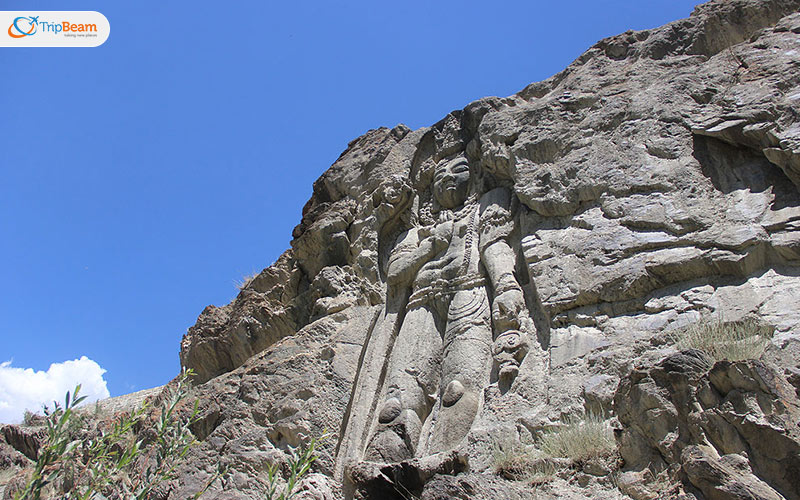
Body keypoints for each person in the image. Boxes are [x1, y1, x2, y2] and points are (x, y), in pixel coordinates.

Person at [365, 156, 533, 462]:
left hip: (470, 291)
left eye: (459, 170)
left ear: (474, 178)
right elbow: (395, 273)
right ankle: (381, 468)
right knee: (396, 401)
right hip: (421, 304)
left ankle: (445, 461)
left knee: (457, 387)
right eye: (440, 174)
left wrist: (506, 285)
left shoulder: (487, 206)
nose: (447, 177)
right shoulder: (415, 234)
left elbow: (495, 246)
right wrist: (431, 245)